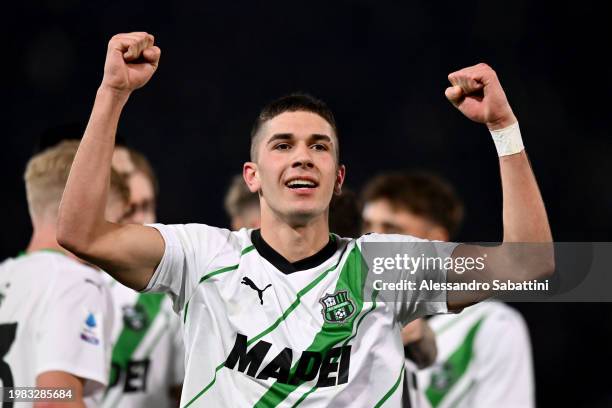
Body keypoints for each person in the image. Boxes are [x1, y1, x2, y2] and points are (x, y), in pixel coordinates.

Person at [57, 32, 553, 407]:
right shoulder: (202, 256)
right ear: (252, 176)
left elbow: (528, 264)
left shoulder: (385, 265)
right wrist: (112, 93)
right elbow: (81, 233)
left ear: (338, 178)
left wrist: (503, 128)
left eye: (319, 147)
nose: (302, 157)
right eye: (283, 145)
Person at [362, 171, 535, 408]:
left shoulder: (490, 325)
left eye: (391, 229)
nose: (372, 239)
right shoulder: (341, 312)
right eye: (367, 227)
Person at [0, 141, 126, 406]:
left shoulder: (5, 274)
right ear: (87, 210)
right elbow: (54, 399)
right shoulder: (76, 283)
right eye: (116, 222)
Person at [102, 147, 184, 408]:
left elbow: (184, 393)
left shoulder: (174, 294)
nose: (142, 221)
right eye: (130, 210)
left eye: (147, 206)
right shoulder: (57, 284)